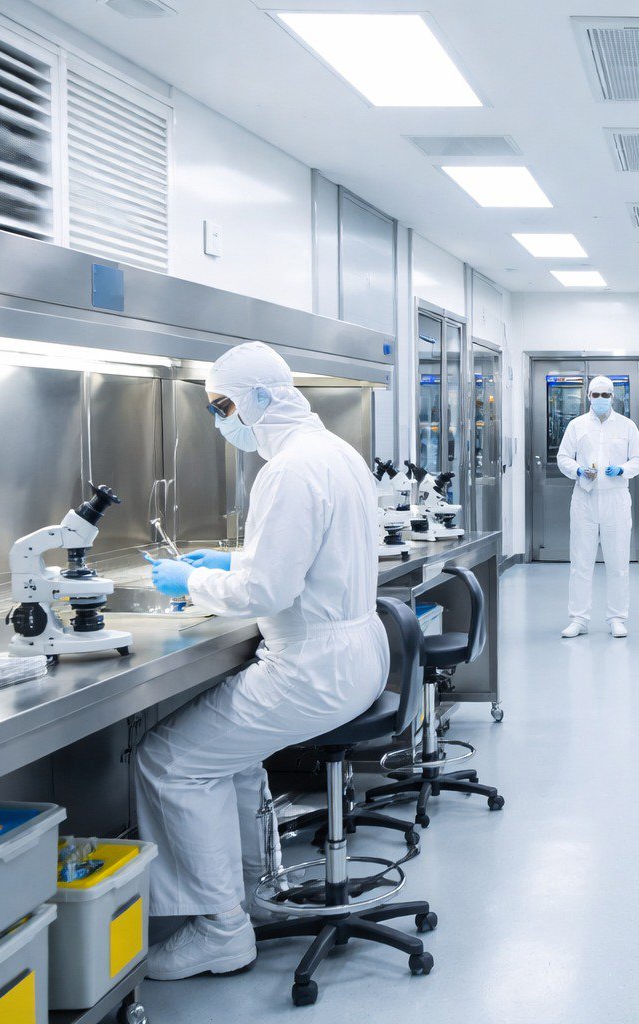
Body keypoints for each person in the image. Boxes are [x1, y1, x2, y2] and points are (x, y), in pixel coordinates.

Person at [137, 342, 389, 981]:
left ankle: (221, 930)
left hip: (311, 670)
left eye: (222, 407)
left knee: (168, 761)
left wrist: (190, 582)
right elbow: (313, 555)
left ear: (258, 399)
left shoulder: (288, 470)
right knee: (231, 756)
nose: (220, 421)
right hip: (355, 656)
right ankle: (249, 894)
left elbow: (267, 593)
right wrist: (233, 562)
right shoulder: (335, 452)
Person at [555, 375, 639, 639]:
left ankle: (617, 618)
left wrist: (622, 469)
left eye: (605, 395)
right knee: (580, 562)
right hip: (584, 498)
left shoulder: (627, 426)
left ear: (613, 397)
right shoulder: (577, 425)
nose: (600, 399)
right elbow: (563, 457)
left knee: (618, 562)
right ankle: (579, 619)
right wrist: (578, 470)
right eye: (595, 394)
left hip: (616, 499)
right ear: (588, 396)